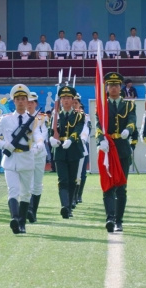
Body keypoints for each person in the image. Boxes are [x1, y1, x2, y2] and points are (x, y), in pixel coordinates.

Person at [0, 84, 43, 234]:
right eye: (17, 99)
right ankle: (15, 218)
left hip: (26, 158)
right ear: (13, 101)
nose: (20, 101)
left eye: (23, 99)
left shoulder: (33, 120)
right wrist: (4, 144)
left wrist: (39, 146)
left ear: (27, 101)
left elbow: (38, 136)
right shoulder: (6, 120)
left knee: (25, 193)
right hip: (10, 160)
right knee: (13, 190)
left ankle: (22, 222)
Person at [96, 72, 136, 232]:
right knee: (108, 186)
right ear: (107, 87)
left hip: (122, 150)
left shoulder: (128, 105)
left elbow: (132, 120)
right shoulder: (102, 105)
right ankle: (110, 218)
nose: (113, 87)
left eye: (116, 85)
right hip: (107, 148)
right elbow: (98, 125)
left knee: (121, 186)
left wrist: (128, 130)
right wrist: (100, 140)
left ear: (120, 87)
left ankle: (119, 220)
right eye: (110, 85)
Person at [49, 86, 85, 219]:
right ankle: (64, 206)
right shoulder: (55, 116)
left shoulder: (78, 115)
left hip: (73, 149)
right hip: (59, 150)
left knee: (72, 180)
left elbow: (78, 129)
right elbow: (50, 131)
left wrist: (70, 139)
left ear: (72, 99)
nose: (65, 100)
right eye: (63, 98)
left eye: (68, 98)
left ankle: (69, 207)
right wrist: (51, 139)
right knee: (62, 179)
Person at [26, 91, 49, 223]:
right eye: (28, 101)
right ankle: (28, 208)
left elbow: (44, 132)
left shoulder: (42, 117)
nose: (30, 104)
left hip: (39, 152)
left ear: (36, 103)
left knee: (37, 183)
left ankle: (33, 211)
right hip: (25, 152)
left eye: (32, 102)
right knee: (26, 183)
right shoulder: (21, 116)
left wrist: (39, 145)